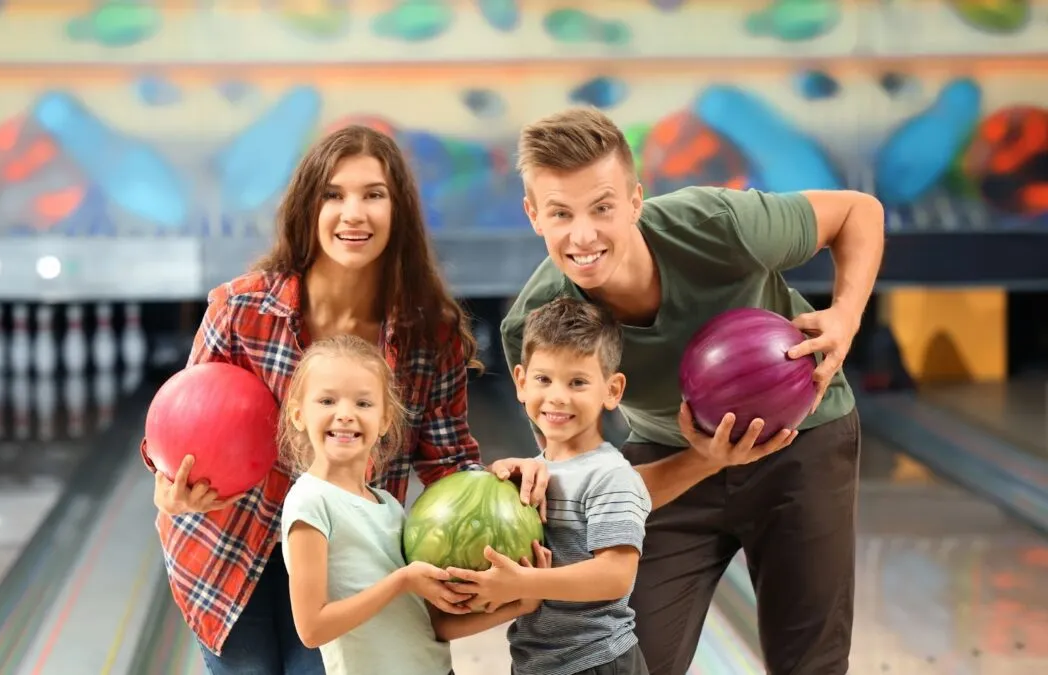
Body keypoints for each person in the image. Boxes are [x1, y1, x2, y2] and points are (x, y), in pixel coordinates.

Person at [141, 125, 549, 674]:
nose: (352, 213)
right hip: (230, 554)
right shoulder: (240, 310)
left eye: (373, 194)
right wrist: (172, 486)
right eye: (333, 194)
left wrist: (500, 483)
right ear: (309, 208)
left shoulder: (432, 337)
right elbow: (177, 427)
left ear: (397, 210)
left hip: (347, 565)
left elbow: (449, 464)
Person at [495, 107, 884, 675]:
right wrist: (700, 458)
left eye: (602, 207)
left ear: (635, 201)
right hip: (669, 455)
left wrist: (846, 316)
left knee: (811, 664)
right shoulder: (535, 327)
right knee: (624, 654)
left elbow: (858, 212)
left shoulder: (718, 224)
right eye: (560, 212)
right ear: (534, 215)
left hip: (804, 438)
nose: (583, 235)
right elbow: (589, 477)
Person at [278, 335, 552, 674]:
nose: (345, 414)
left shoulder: (389, 506)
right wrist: (402, 581)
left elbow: (433, 626)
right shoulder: (310, 502)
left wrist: (521, 603)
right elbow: (312, 628)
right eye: (327, 401)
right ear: (298, 414)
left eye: (363, 404)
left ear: (385, 421)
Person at [448, 297, 652, 675]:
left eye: (577, 382)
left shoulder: (611, 476)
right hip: (536, 660)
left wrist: (524, 582)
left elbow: (615, 576)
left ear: (612, 390)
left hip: (598, 661)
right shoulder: (533, 471)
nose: (558, 396)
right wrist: (494, 480)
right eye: (544, 379)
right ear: (522, 382)